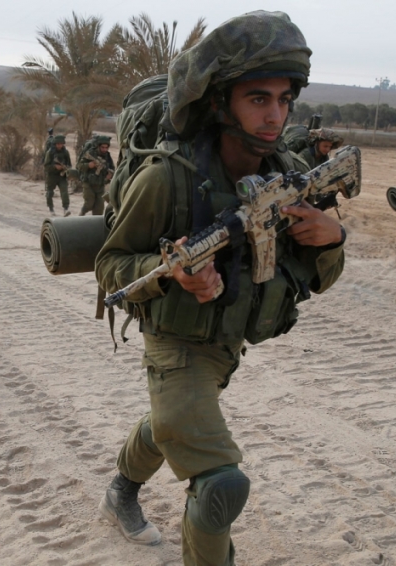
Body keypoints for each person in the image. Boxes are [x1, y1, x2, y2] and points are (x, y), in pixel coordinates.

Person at [94, 11, 346, 565]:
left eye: (284, 99)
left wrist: (332, 239)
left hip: (228, 338)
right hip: (177, 340)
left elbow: (318, 278)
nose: (274, 115)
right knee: (219, 485)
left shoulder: (288, 169)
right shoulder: (167, 178)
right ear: (220, 102)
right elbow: (111, 263)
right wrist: (170, 271)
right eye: (258, 99)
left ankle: (120, 490)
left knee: (171, 423)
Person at [77, 135, 114, 216]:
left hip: (100, 185)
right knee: (89, 204)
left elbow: (112, 169)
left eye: (106, 147)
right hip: (88, 184)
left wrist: (109, 176)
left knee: (99, 209)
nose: (104, 149)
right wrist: (88, 165)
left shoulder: (108, 156)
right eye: (102, 147)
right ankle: (80, 215)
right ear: (98, 146)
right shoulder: (90, 153)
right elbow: (79, 166)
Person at [44, 134, 72, 216]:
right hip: (51, 176)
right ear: (55, 144)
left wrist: (66, 168)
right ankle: (51, 209)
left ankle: (66, 208)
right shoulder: (50, 153)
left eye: (61, 144)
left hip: (62, 176)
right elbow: (46, 166)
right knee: (49, 193)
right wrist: (55, 167)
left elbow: (69, 164)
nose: (60, 146)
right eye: (58, 144)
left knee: (64, 192)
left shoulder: (65, 152)